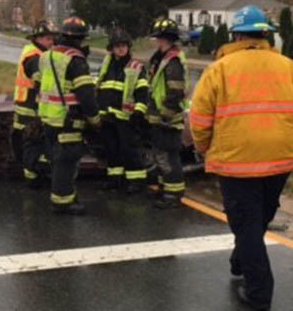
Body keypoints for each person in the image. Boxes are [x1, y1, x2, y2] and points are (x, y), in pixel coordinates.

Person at [189, 5, 293, 310]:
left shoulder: (219, 69)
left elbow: (200, 121)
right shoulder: (289, 67)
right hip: (280, 160)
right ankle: (240, 261)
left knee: (246, 224)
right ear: (266, 35)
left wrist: (205, 147)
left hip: (236, 163)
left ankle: (259, 292)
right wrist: (288, 139)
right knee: (258, 218)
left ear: (234, 35)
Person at [37, 16, 100, 215]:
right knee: (67, 161)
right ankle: (62, 202)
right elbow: (86, 95)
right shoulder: (76, 59)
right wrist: (95, 119)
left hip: (47, 116)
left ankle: (65, 195)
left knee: (56, 159)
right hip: (67, 118)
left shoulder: (47, 55)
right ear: (81, 39)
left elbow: (39, 83)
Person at [96, 31, 149, 193]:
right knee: (111, 149)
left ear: (128, 47)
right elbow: (100, 88)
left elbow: (142, 91)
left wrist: (139, 112)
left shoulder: (135, 67)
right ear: (111, 48)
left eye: (123, 46)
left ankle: (137, 181)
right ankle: (115, 179)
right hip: (108, 116)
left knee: (130, 149)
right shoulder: (106, 66)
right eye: (117, 46)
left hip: (126, 117)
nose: (121, 49)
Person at [146, 19, 188, 210]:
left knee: (169, 157)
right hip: (158, 117)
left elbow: (175, 91)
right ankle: (165, 189)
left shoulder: (173, 61)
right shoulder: (160, 59)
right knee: (160, 156)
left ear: (168, 39)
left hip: (168, 119)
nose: (157, 42)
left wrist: (165, 115)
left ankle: (173, 194)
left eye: (160, 39)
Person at [13, 21, 57, 188]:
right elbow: (40, 78)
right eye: (48, 38)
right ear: (37, 38)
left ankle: (39, 173)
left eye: (52, 38)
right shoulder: (33, 56)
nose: (51, 42)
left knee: (40, 142)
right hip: (29, 108)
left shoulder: (39, 53)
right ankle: (32, 177)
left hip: (31, 106)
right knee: (33, 143)